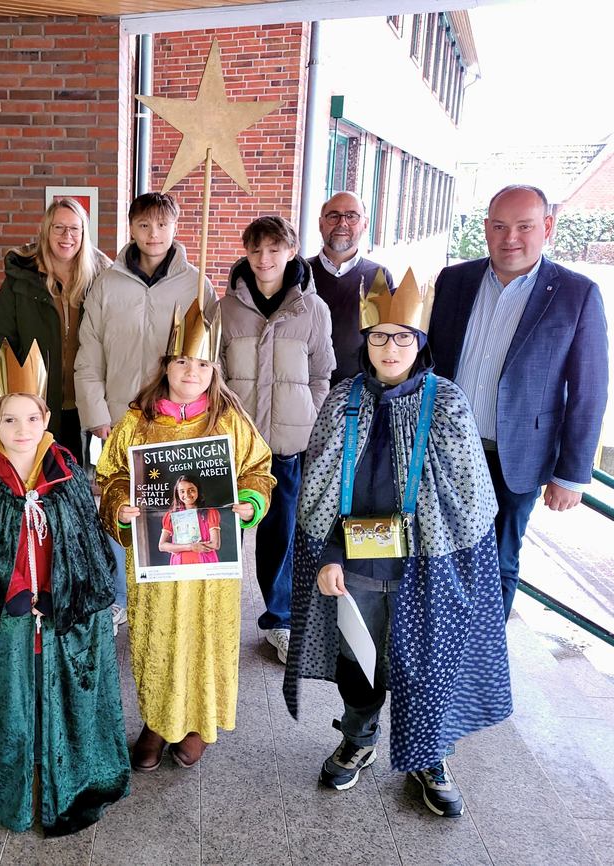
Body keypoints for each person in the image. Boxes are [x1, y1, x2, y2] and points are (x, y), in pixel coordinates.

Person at [283, 271, 512, 818]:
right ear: (365, 342)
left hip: (427, 567)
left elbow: (469, 497)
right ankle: (359, 737)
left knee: (426, 661)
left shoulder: (449, 403)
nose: (390, 348)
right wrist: (331, 555)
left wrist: (441, 554)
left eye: (402, 337)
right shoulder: (341, 402)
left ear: (421, 343)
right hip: (357, 564)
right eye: (380, 337)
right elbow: (317, 488)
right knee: (360, 660)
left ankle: (430, 755)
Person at [0, 339, 130, 837]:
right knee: (10, 700)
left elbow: (86, 553)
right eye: (8, 420)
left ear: (46, 418)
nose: (20, 430)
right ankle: (8, 782)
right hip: (9, 616)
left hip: (57, 612)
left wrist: (60, 596)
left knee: (57, 692)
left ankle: (64, 770)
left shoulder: (65, 476)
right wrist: (13, 594)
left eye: (30, 418)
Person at [96, 297, 274, 771]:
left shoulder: (229, 421)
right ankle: (156, 722)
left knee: (205, 637)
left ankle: (197, 725)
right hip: (157, 562)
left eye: (200, 363)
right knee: (158, 637)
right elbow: (112, 475)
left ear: (214, 368)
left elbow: (259, 470)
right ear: (166, 366)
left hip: (211, 566)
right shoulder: (138, 421)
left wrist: (250, 502)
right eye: (181, 362)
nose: (190, 371)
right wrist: (120, 507)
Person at [428, 185, 609, 619]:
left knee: (499, 561)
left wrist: (571, 474)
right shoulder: (454, 281)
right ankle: (442, 651)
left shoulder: (576, 294)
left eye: (524, 226)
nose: (510, 237)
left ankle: (482, 669)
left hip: (518, 460)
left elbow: (590, 391)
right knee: (438, 556)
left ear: (546, 227)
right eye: (499, 226)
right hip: (446, 452)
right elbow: (430, 362)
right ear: (486, 229)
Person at [75, 191, 215, 630]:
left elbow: (209, 359)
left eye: (162, 225)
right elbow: (88, 351)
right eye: (143, 225)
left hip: (173, 421)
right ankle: (119, 594)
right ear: (131, 229)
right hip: (117, 416)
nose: (153, 234)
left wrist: (197, 415)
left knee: (169, 506)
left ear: (175, 228)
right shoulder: (107, 282)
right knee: (117, 503)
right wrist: (96, 413)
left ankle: (167, 593)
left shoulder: (197, 285)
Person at [220, 215, 335, 664]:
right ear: (246, 253)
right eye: (256, 250)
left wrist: (312, 421)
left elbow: (322, 372)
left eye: (274, 250)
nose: (264, 259)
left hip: (287, 445)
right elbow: (216, 375)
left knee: (280, 534)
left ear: (291, 252)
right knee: (226, 532)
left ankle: (279, 619)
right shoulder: (225, 307)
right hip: (236, 446)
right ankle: (219, 618)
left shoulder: (312, 309)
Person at [0, 197, 111, 464]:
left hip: (85, 404)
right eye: (59, 228)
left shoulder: (102, 279)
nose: (67, 236)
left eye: (74, 229)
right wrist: (12, 401)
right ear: (46, 231)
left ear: (83, 234)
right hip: (36, 404)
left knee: (81, 483)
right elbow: (2, 341)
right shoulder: (21, 280)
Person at [307, 191, 395, 384]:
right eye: (333, 216)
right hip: (302, 395)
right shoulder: (299, 274)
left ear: (365, 223)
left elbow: (386, 344)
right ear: (321, 223)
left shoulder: (379, 278)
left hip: (356, 400)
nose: (342, 223)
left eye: (351, 216)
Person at [158, 475, 220, 565]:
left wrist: (175, 548)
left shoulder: (210, 512)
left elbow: (215, 544)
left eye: (191, 490)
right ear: (177, 493)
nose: (186, 495)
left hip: (206, 562)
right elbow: (162, 545)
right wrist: (190, 547)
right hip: (179, 564)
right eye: (182, 491)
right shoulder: (171, 515)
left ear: (198, 490)